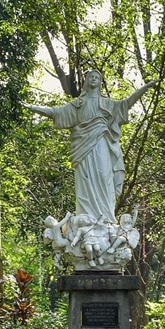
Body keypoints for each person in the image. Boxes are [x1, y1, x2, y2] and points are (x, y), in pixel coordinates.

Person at [24, 70, 154, 223]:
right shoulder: (78, 105)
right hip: (83, 149)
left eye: (97, 77)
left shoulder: (107, 103)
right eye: (91, 76)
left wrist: (145, 87)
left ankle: (105, 217)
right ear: (86, 81)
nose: (93, 79)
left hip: (101, 143)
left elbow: (127, 103)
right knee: (85, 180)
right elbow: (55, 112)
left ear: (100, 82)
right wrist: (32, 107)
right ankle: (86, 218)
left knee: (104, 176)